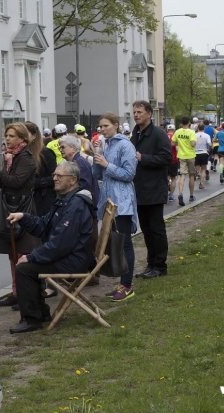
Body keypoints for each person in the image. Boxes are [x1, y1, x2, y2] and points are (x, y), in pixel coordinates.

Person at [6, 161, 95, 333]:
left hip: (74, 260)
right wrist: (23, 217)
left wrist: (31, 257)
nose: (54, 178)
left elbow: (61, 244)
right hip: (71, 255)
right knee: (29, 264)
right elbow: (43, 225)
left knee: (24, 269)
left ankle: (32, 319)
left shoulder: (76, 204)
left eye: (59, 176)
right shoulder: (64, 200)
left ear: (72, 180)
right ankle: (40, 313)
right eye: (54, 175)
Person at [0, 122, 39, 310]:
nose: (7, 139)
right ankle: (17, 292)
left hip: (22, 209)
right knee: (12, 254)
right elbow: (2, 184)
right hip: (10, 207)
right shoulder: (12, 157)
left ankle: (27, 294)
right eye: (6, 135)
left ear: (22, 138)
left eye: (12, 136)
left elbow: (15, 182)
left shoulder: (26, 158)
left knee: (23, 253)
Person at [93, 113, 138, 301]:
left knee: (124, 243)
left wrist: (107, 164)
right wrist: (98, 155)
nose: (102, 129)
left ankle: (127, 285)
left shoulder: (125, 145)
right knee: (114, 244)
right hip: (109, 201)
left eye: (105, 126)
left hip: (123, 201)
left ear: (116, 125)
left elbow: (129, 174)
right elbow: (99, 174)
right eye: (100, 127)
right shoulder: (108, 144)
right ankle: (121, 283)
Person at [130, 100, 172, 279]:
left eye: (139, 112)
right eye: (134, 112)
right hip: (140, 189)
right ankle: (150, 263)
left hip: (154, 188)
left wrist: (143, 158)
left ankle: (160, 265)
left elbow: (166, 158)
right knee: (146, 229)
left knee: (156, 228)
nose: (136, 115)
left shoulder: (158, 134)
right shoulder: (136, 133)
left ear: (149, 114)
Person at [58, 134, 99, 208]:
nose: (60, 150)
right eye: (59, 148)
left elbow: (85, 187)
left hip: (84, 207)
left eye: (63, 147)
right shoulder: (76, 161)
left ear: (73, 148)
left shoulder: (80, 163)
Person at [25, 122, 56, 215]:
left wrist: (35, 183)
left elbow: (55, 177)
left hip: (43, 200)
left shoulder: (45, 152)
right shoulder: (22, 153)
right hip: (26, 200)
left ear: (34, 135)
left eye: (25, 133)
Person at [172, 117, 197, 206]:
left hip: (181, 156)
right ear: (189, 123)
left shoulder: (177, 132)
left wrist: (179, 144)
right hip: (190, 155)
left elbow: (173, 143)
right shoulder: (191, 132)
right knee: (191, 175)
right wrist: (190, 144)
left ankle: (180, 193)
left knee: (182, 175)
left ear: (182, 123)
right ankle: (191, 195)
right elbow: (193, 144)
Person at [194, 123, 212, 188]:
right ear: (204, 128)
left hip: (196, 153)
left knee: (197, 167)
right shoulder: (207, 135)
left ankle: (195, 174)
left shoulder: (194, 135)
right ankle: (201, 183)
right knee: (203, 169)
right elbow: (210, 144)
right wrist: (208, 151)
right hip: (204, 153)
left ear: (198, 128)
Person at [166, 124, 179, 201]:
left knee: (165, 177)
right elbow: (177, 149)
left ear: (167, 129)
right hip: (173, 159)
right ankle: (171, 195)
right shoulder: (175, 137)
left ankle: (165, 191)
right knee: (173, 178)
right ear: (174, 129)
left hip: (164, 160)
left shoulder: (163, 136)